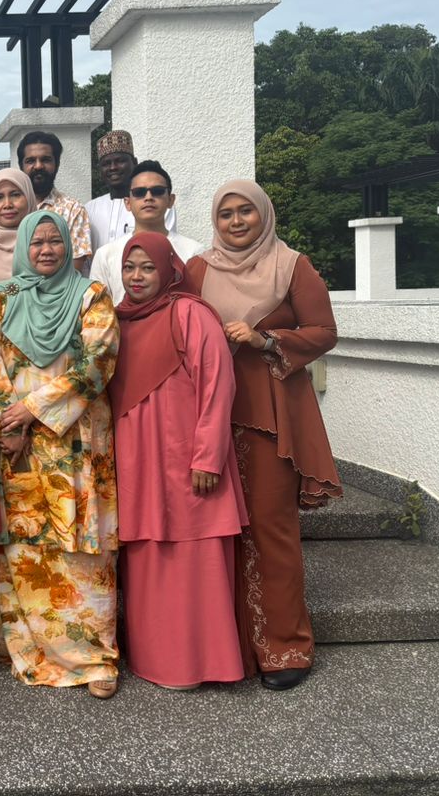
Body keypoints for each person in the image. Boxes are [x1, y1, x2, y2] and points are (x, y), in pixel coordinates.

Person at [186, 179, 342, 692]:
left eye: (245, 211)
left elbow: (324, 331)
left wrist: (264, 339)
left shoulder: (291, 265)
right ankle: (228, 647)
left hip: (270, 415)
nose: (235, 221)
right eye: (225, 213)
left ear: (263, 214)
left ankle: (285, 646)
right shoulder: (198, 270)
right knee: (217, 531)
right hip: (211, 416)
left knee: (271, 528)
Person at [0, 210, 120, 696]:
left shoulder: (91, 295)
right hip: (18, 443)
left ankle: (94, 660)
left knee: (82, 549)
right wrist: (9, 423)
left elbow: (98, 363)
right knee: (27, 545)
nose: (45, 250)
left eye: (54, 241)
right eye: (36, 242)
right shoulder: (0, 300)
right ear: (23, 246)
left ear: (68, 245)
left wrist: (32, 409)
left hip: (75, 439)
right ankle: (31, 649)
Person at [109, 233, 247, 690]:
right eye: (129, 267)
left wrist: (208, 457)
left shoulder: (190, 313)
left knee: (194, 557)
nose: (137, 277)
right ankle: (157, 661)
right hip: (137, 460)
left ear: (170, 269)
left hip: (185, 456)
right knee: (148, 555)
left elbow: (218, 384)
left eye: (148, 267)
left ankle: (204, 663)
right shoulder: (116, 320)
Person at [89, 160, 204, 305]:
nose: (148, 197)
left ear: (171, 200)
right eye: (139, 192)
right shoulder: (105, 255)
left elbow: (198, 306)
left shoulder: (194, 252)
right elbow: (97, 311)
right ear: (127, 203)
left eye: (157, 191)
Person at [84, 131, 176, 250]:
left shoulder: (155, 204)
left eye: (120, 161)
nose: (113, 167)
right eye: (106, 163)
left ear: (134, 162)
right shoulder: (89, 209)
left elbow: (164, 247)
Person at [16, 131, 92, 272]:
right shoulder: (10, 211)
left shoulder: (73, 210)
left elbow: (73, 271)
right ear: (21, 166)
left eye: (45, 160)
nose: (38, 166)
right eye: (30, 161)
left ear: (57, 164)